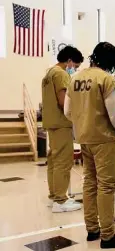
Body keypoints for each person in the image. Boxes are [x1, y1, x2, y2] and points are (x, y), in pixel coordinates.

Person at [64, 42, 115, 249]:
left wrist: (83, 121)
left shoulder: (75, 78)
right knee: (106, 186)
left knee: (90, 182)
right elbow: (114, 115)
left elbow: (68, 112)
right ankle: (107, 235)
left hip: (84, 138)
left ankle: (92, 229)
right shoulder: (107, 80)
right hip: (105, 140)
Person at [42, 45, 83, 213]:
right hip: (61, 123)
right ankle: (61, 199)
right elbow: (63, 100)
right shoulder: (61, 74)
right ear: (70, 61)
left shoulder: (49, 73)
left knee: (53, 159)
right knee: (63, 161)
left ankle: (55, 195)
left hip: (51, 122)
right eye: (76, 66)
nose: (75, 69)